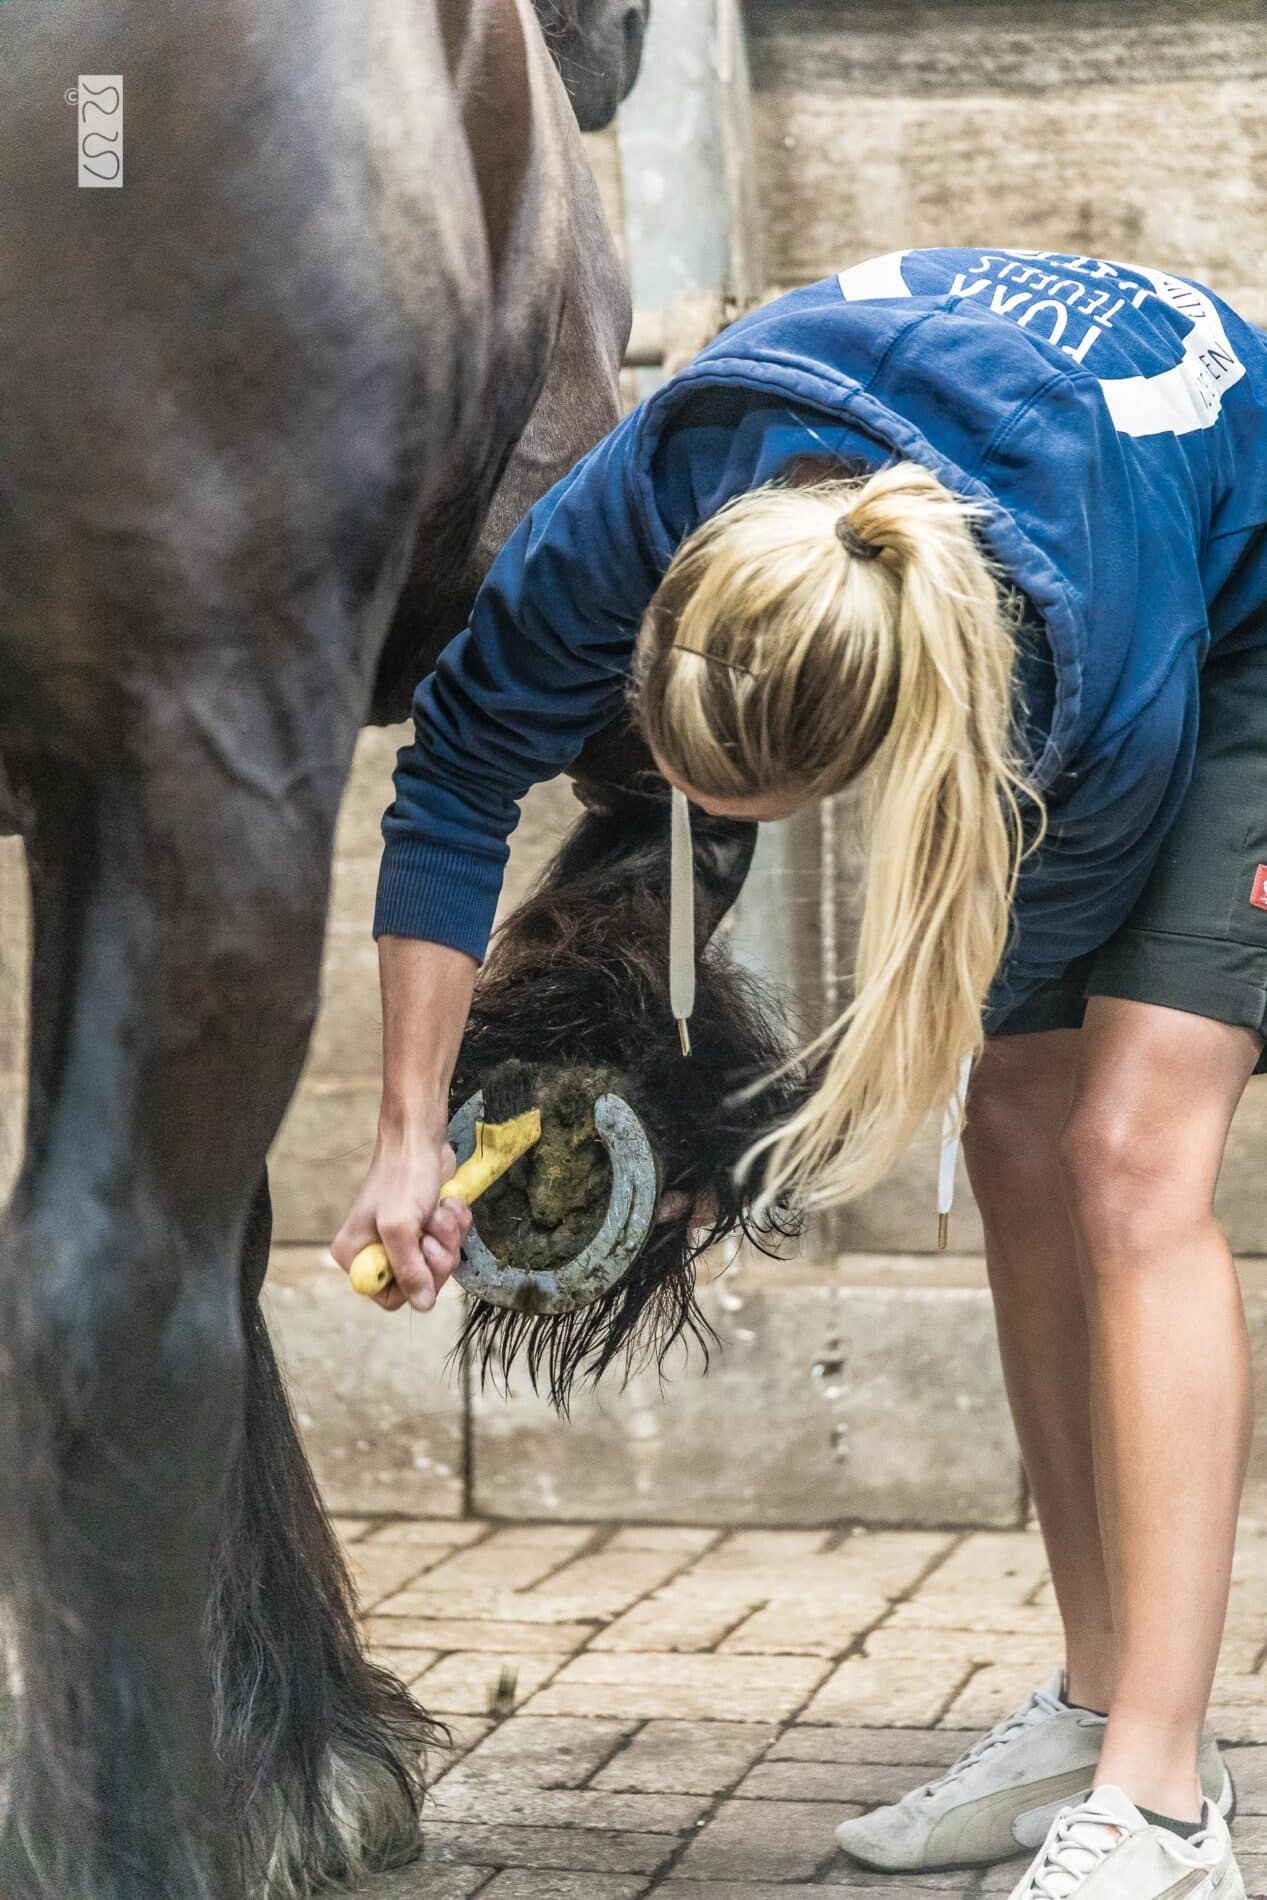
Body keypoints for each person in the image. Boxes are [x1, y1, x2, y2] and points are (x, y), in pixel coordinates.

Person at [333, 246, 1267, 1900]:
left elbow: (925, 1010)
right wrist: (407, 1132)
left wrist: (736, 1149)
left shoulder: (1076, 681)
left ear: (894, 740)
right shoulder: (663, 484)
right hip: (1000, 475)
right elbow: (460, 768)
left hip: (1230, 592)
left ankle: (1169, 1797)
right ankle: (1093, 1703)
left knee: (1123, 1151)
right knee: (1013, 1128)